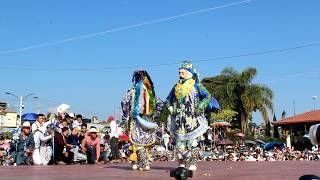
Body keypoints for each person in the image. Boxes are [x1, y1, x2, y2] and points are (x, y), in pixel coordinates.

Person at [166, 61, 219, 171]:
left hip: (192, 119)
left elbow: (207, 96)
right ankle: (181, 163)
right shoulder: (176, 86)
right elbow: (168, 99)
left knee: (192, 143)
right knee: (179, 144)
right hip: (179, 120)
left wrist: (200, 106)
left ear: (189, 72)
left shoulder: (196, 85)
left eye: (182, 72)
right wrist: (170, 107)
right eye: (179, 72)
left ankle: (193, 162)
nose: (180, 74)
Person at [121, 70, 162, 170]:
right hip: (137, 120)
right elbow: (160, 104)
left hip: (145, 120)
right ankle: (140, 162)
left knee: (142, 143)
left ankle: (141, 162)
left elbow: (124, 103)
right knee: (137, 143)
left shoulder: (149, 93)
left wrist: (154, 115)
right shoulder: (134, 91)